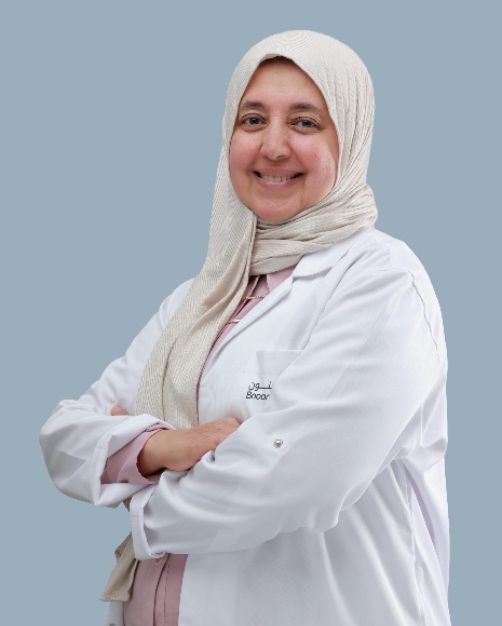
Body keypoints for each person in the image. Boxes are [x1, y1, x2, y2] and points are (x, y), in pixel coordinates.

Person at [39, 30, 451, 626]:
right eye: (252, 120)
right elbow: (64, 436)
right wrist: (161, 447)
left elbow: (292, 482)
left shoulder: (382, 283)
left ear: (352, 137)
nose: (273, 146)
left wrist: (133, 485)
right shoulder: (203, 296)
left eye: (305, 122)